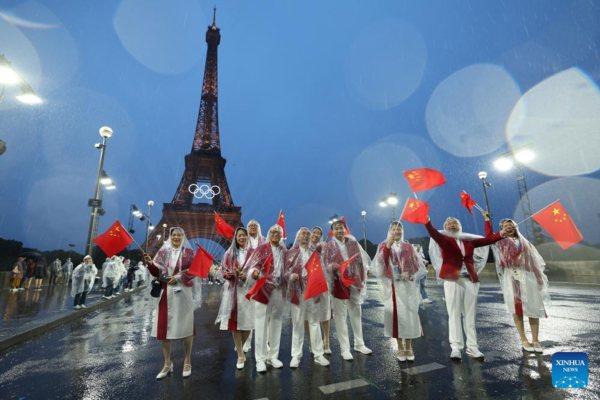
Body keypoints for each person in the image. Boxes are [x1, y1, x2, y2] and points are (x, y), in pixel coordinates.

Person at [427, 211, 508, 360]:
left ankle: (472, 347)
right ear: (445, 228)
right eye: (448, 224)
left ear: (460, 226)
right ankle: (456, 347)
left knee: (470, 316)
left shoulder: (468, 240)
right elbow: (432, 232)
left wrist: (490, 224)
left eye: (454, 223)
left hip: (470, 279)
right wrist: (427, 221)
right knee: (454, 314)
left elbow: (489, 240)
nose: (452, 225)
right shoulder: (444, 240)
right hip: (453, 279)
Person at [143, 227, 202, 380]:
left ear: (183, 237)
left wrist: (180, 278)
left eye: (179, 235)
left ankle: (187, 360)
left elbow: (195, 271)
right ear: (170, 237)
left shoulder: (189, 253)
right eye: (173, 235)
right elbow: (157, 272)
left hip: (183, 292)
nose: (176, 237)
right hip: (166, 293)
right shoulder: (163, 253)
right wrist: (150, 264)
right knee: (164, 328)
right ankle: (167, 363)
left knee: (186, 326)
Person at [487, 218, 550, 353]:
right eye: (505, 226)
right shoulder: (501, 242)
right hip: (512, 276)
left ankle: (535, 340)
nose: (509, 227)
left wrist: (539, 277)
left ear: (515, 227)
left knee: (533, 307)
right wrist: (487, 220)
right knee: (517, 308)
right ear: (502, 229)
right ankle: (524, 339)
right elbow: (489, 238)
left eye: (511, 225)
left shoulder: (525, 243)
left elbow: (533, 260)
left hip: (528, 276)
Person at [372, 222, 426, 361]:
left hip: (407, 286)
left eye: (399, 228)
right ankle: (400, 347)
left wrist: (410, 274)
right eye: (394, 228)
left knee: (409, 316)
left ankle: (409, 347)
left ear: (403, 231)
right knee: (396, 316)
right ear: (389, 231)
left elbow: (416, 265)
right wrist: (388, 246)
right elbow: (381, 264)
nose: (397, 231)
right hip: (393, 287)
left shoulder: (408, 246)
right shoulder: (383, 246)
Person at [322, 219, 372, 361]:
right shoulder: (328, 246)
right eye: (336, 228)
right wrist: (333, 267)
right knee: (340, 317)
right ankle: (345, 348)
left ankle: (359, 343)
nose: (339, 230)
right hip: (338, 284)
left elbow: (361, 263)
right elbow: (325, 265)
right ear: (332, 231)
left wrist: (361, 281)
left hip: (354, 282)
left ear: (345, 229)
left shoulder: (353, 243)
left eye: (341, 228)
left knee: (356, 314)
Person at [244, 224, 288, 373]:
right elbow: (253, 266)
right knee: (261, 324)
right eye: (273, 232)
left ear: (281, 235)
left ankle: (273, 356)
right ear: (269, 234)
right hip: (263, 290)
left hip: (278, 291)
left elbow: (287, 270)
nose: (276, 234)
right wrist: (255, 273)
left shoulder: (284, 251)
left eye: (278, 232)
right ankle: (260, 359)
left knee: (276, 323)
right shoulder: (261, 249)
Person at [285, 227, 330, 368]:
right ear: (297, 237)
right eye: (303, 234)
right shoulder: (291, 253)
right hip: (297, 292)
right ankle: (296, 355)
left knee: (314, 323)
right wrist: (291, 276)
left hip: (312, 291)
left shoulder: (314, 253)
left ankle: (318, 354)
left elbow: (321, 270)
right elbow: (284, 272)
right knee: (297, 324)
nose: (306, 236)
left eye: (307, 234)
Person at [216, 227, 255, 370]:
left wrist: (249, 275)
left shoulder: (253, 253)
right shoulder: (230, 253)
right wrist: (228, 274)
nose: (242, 237)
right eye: (239, 235)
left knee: (248, 323)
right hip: (234, 291)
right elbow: (223, 270)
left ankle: (240, 346)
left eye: (244, 235)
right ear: (235, 237)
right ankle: (240, 354)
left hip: (248, 291)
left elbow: (258, 269)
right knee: (235, 323)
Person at [307, 226, 332, 354]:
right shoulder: (306, 247)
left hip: (323, 282)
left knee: (325, 312)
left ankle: (326, 342)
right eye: (314, 232)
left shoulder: (325, 247)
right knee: (311, 314)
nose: (316, 234)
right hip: (310, 283)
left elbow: (330, 263)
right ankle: (313, 343)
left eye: (318, 233)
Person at [242, 219, 266, 353]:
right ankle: (246, 341)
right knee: (248, 312)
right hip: (247, 280)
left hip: (262, 279)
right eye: (250, 226)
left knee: (263, 312)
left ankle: (264, 342)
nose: (252, 227)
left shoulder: (264, 241)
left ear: (259, 228)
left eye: (255, 226)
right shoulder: (243, 240)